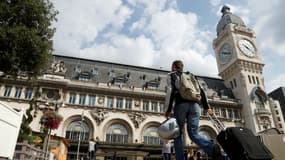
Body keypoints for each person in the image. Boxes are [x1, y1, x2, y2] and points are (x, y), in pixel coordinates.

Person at [164, 60, 223, 160]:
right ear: (182, 67)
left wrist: (168, 109)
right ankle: (212, 148)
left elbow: (170, 91)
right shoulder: (191, 76)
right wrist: (207, 107)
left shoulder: (172, 75)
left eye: (171, 66)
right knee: (193, 134)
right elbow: (201, 91)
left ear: (174, 67)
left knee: (177, 134)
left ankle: (180, 158)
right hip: (195, 106)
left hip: (181, 105)